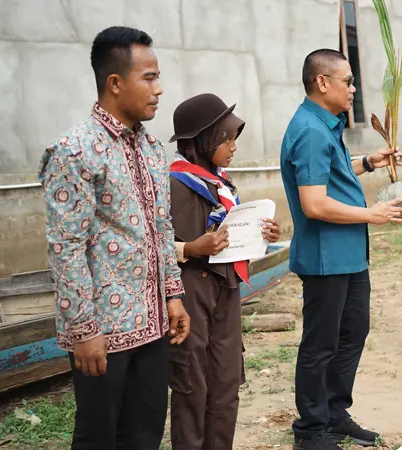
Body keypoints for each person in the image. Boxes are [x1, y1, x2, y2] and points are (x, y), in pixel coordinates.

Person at [38, 26, 190, 450]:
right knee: (98, 437)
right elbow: (65, 248)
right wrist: (83, 329)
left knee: (144, 434)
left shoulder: (152, 148)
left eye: (158, 77)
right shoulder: (75, 150)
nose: (159, 89)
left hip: (154, 323)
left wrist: (173, 294)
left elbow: (162, 227)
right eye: (149, 77)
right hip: (102, 332)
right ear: (115, 83)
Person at [280, 49, 402, 450]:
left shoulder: (323, 125)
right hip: (325, 258)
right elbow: (314, 204)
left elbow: (331, 173)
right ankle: (311, 430)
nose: (353, 89)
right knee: (321, 344)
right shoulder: (311, 130)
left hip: (348, 255)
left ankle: (334, 413)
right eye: (347, 81)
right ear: (322, 82)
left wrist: (367, 162)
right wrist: (371, 214)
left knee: (353, 332)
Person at [167, 93, 281, 449]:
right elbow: (150, 248)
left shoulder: (220, 182)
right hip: (190, 292)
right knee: (192, 384)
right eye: (225, 138)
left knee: (226, 381)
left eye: (233, 138)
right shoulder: (172, 184)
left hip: (226, 288)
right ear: (202, 142)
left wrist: (262, 235)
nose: (232, 146)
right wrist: (191, 248)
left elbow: (230, 234)